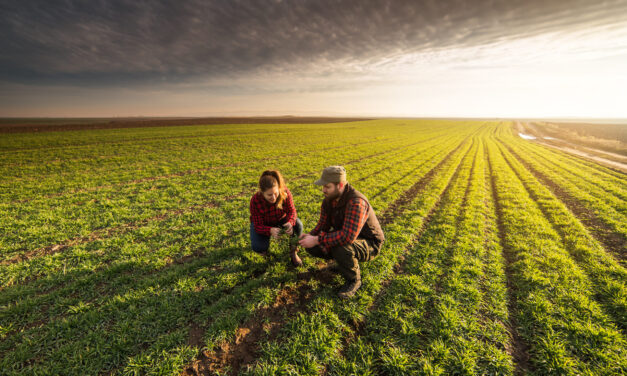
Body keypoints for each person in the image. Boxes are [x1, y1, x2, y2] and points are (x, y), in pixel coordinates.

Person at [299, 166, 384, 298]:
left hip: (370, 243)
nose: (323, 190)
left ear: (340, 185)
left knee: (340, 246)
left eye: (327, 187)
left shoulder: (356, 202)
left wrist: (317, 239)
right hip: (348, 238)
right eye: (323, 186)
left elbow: (347, 237)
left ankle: (354, 280)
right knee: (313, 247)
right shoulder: (328, 201)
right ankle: (342, 263)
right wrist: (309, 236)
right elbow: (322, 226)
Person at [250, 170, 303, 266]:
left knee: (298, 225)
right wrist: (269, 230)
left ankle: (293, 251)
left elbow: (292, 211)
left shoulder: (285, 192)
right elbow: (257, 225)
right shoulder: (255, 200)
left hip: (280, 219)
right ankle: (264, 250)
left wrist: (290, 222)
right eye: (269, 195)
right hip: (264, 223)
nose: (274, 197)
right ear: (262, 192)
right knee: (258, 247)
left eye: (275, 193)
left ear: (279, 188)